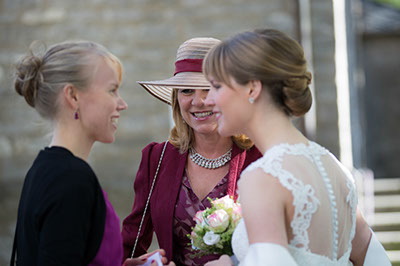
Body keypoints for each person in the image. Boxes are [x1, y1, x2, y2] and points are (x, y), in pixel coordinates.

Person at [202, 29, 391, 265]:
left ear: (252, 88)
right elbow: (375, 259)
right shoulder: (335, 168)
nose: (208, 100)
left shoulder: (264, 177)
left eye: (216, 86)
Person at [121, 37, 262, 266]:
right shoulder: (156, 159)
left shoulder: (260, 159)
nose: (199, 101)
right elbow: (130, 243)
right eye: (187, 90)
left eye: (208, 88)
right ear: (177, 100)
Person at [12, 40, 134, 265]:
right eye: (112, 90)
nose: (122, 104)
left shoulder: (42, 169)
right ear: (73, 96)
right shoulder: (72, 179)